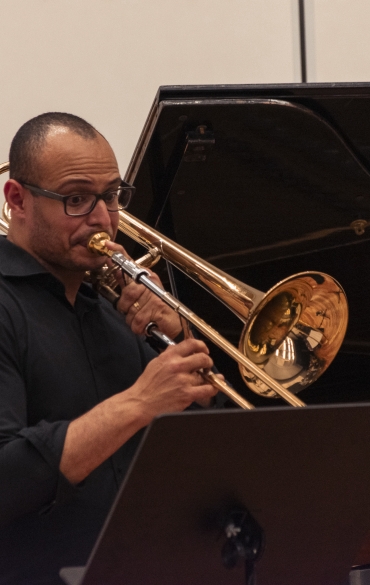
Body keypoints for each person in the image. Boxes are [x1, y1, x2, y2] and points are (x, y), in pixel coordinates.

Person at [0, 113, 222, 584]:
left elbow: (206, 454)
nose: (102, 218)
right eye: (77, 199)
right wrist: (138, 403)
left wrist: (178, 340)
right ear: (17, 199)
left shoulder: (116, 306)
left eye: (112, 196)